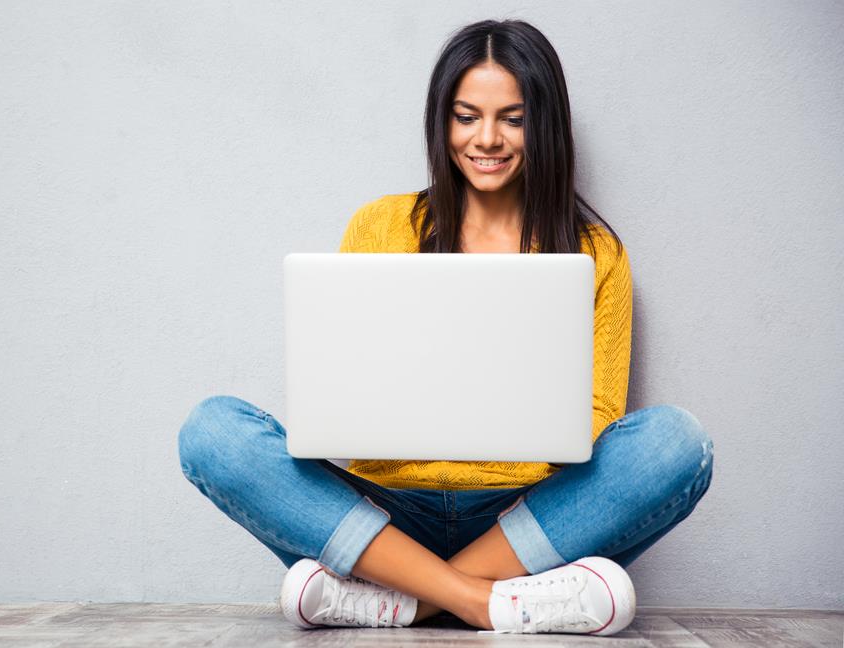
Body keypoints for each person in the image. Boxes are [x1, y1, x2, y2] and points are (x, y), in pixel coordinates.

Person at [177, 18, 714, 636]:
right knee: (213, 432)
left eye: (513, 118)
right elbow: (341, 397)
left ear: (545, 125)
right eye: (467, 116)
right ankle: (487, 602)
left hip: (525, 519)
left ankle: (402, 599)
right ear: (442, 121)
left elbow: (596, 418)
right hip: (384, 514)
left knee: (677, 444)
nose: (488, 138)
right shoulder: (380, 227)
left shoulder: (596, 253)